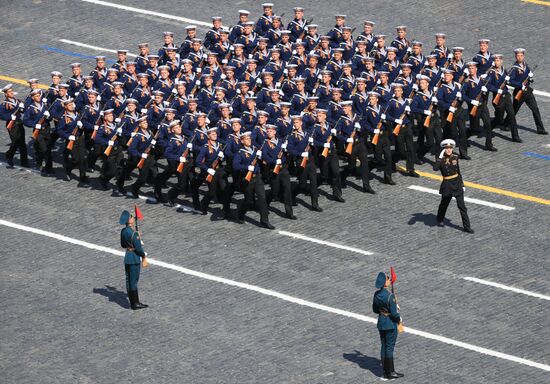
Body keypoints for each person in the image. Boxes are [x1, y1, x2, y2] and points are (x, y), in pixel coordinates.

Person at [434, 139, 473, 233]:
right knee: (444, 204)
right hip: (447, 185)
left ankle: (467, 227)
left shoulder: (455, 157)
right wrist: (439, 157)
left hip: (456, 184)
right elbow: (435, 168)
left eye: (450, 148)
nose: (448, 150)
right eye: (446, 148)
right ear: (443, 149)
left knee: (462, 206)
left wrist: (462, 184)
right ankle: (439, 219)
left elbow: (458, 172)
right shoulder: (440, 159)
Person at [372, 272, 404, 380]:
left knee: (384, 346)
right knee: (389, 347)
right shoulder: (390, 296)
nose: (389, 280)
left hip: (381, 323)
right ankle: (391, 372)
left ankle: (385, 372)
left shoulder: (376, 295)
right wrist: (399, 318)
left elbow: (375, 310)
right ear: (384, 284)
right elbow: (394, 314)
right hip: (390, 324)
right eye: (387, 279)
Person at [119, 210, 148, 310]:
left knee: (128, 280)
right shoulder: (133, 233)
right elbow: (139, 249)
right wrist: (143, 255)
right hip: (134, 258)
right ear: (130, 221)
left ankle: (132, 302)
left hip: (127, 257)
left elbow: (123, 245)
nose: (133, 218)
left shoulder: (123, 231)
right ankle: (136, 303)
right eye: (132, 217)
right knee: (134, 281)